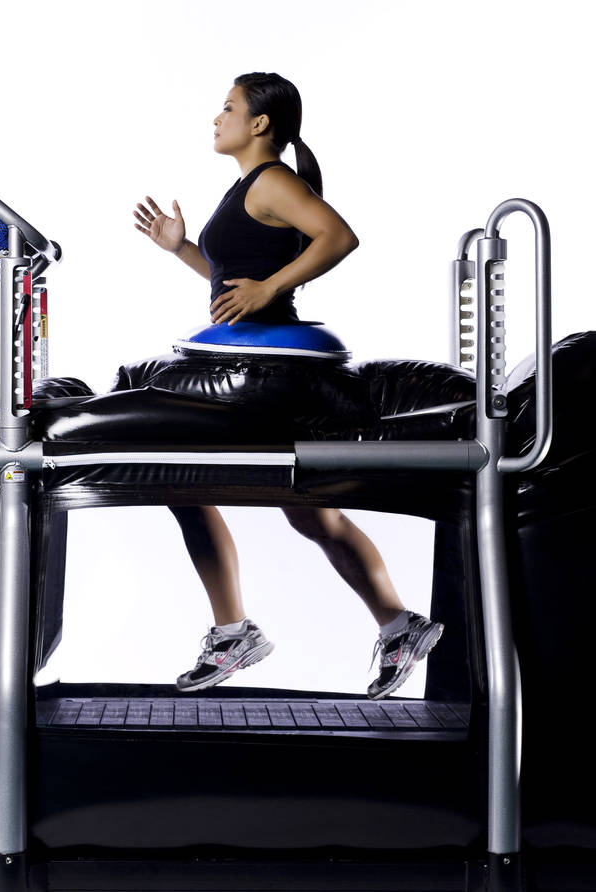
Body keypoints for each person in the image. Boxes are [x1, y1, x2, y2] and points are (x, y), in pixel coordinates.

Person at [133, 72, 442, 699]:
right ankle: (400, 626)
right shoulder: (247, 188)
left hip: (273, 375)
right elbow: (233, 283)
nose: (214, 117)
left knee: (176, 473)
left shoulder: (274, 180)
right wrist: (181, 249)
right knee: (308, 512)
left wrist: (271, 289)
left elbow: (340, 236)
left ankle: (233, 632)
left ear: (259, 125)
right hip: (257, 363)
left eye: (227, 107)